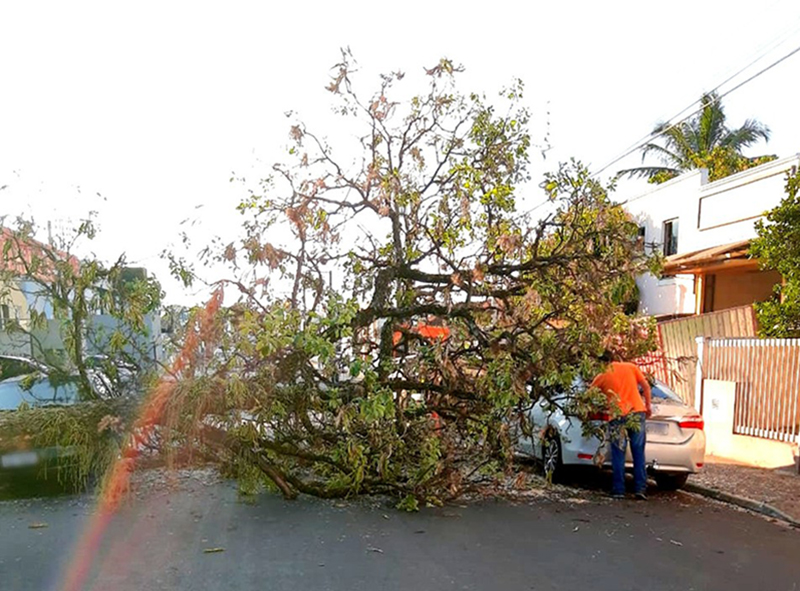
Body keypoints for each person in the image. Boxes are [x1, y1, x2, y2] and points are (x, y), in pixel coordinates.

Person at [591, 354, 652, 500]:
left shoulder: (602, 375)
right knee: (638, 452)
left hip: (617, 415)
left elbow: (588, 396)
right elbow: (646, 386)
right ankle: (640, 488)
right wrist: (648, 405)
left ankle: (619, 490)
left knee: (618, 453)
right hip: (636, 412)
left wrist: (593, 409)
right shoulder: (631, 367)